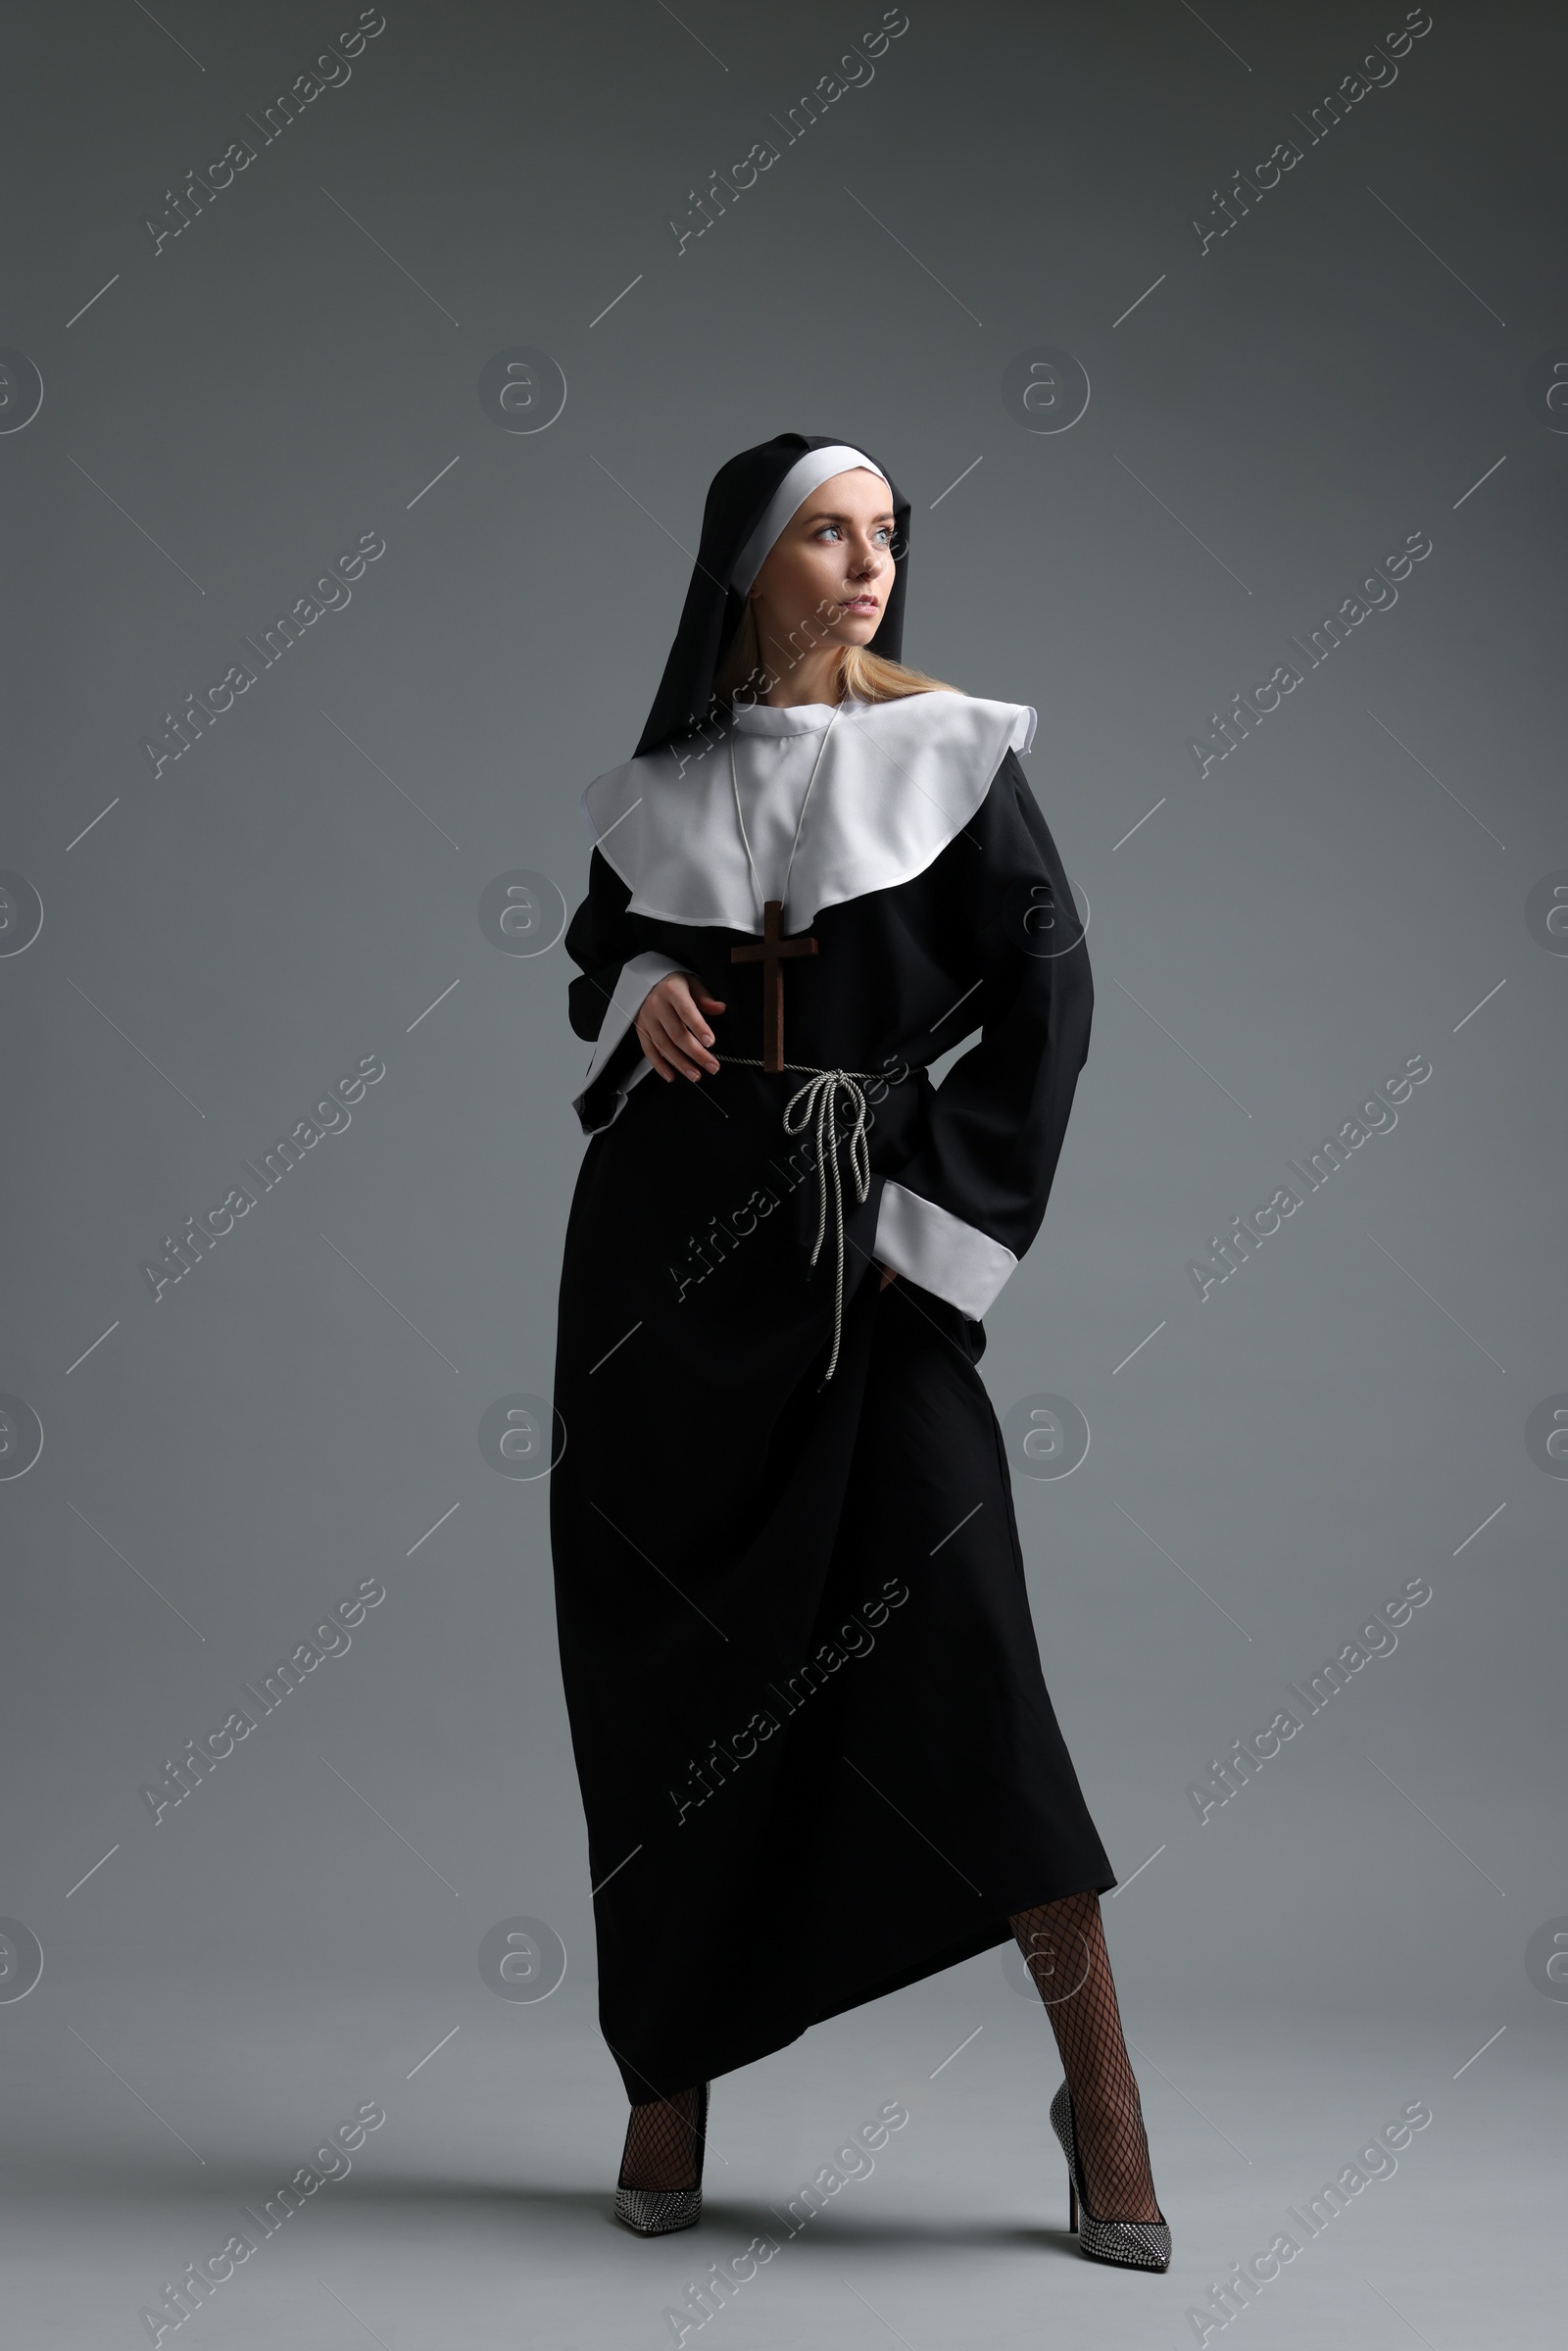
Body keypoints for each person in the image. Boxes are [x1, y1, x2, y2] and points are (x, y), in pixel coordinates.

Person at [550, 433, 1169, 2272]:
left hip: (869, 1264)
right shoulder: (668, 776)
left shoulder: (955, 756)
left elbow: (1053, 994)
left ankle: (1107, 2097)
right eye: (829, 534)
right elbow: (602, 950)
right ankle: (668, 2071)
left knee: (969, 1648)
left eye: (886, 535)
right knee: (672, 1670)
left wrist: (935, 1231)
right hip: (668, 1274)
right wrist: (643, 987)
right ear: (750, 562)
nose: (868, 562)